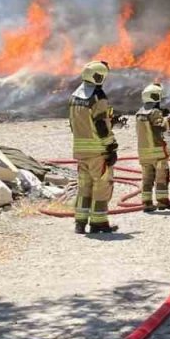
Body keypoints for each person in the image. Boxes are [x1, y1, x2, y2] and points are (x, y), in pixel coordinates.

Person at [67, 60, 119, 234]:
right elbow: (101, 126)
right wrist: (111, 147)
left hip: (80, 149)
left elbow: (75, 124)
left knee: (84, 185)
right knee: (101, 185)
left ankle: (80, 222)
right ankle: (99, 222)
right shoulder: (97, 97)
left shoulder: (75, 97)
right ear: (99, 76)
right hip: (97, 150)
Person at [135, 82, 170, 212]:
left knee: (147, 179)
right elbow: (161, 127)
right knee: (161, 178)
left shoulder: (138, 113)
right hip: (157, 152)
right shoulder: (154, 112)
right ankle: (162, 202)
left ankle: (147, 203)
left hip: (144, 153)